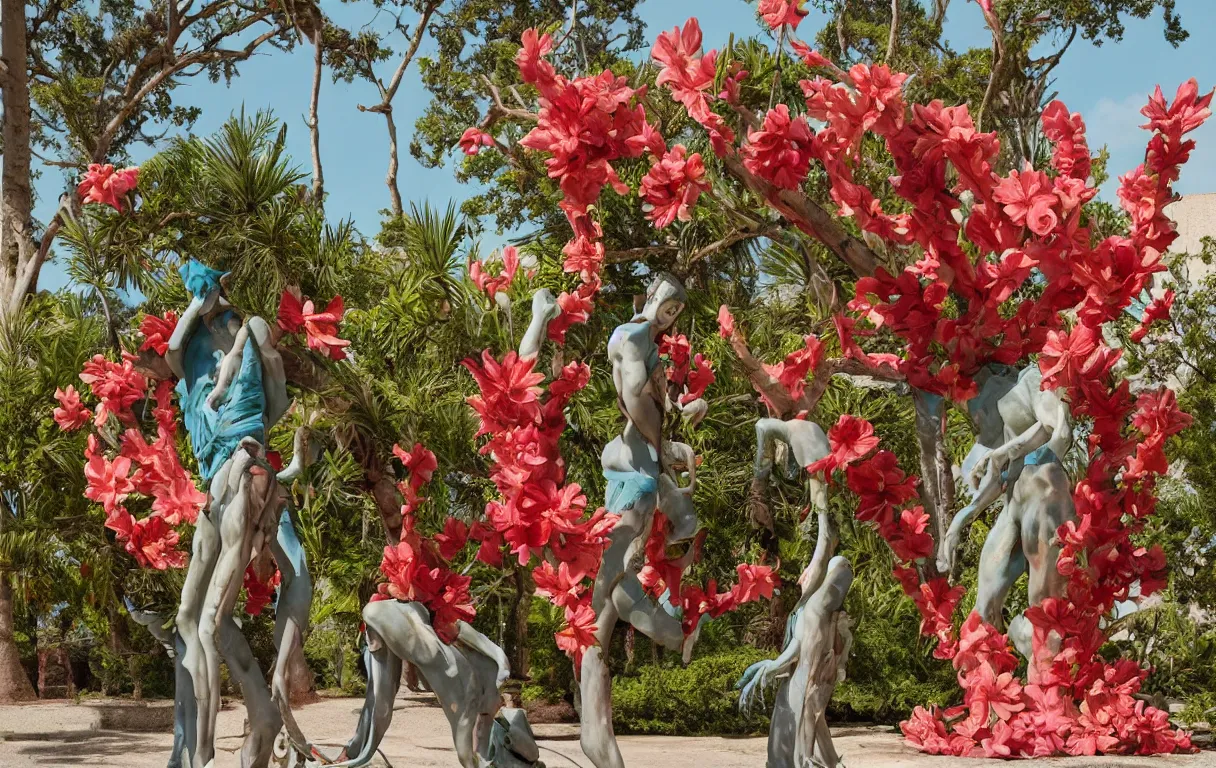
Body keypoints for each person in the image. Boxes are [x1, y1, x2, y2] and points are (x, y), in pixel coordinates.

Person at [936, 365, 1075, 658]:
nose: (970, 411)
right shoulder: (997, 425)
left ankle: (1044, 684)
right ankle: (988, 689)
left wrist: (1003, 453)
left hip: (1042, 490)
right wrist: (959, 523)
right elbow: (997, 479)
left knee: (1044, 615)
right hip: (1013, 504)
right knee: (982, 611)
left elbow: (1058, 431)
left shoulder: (1030, 380)